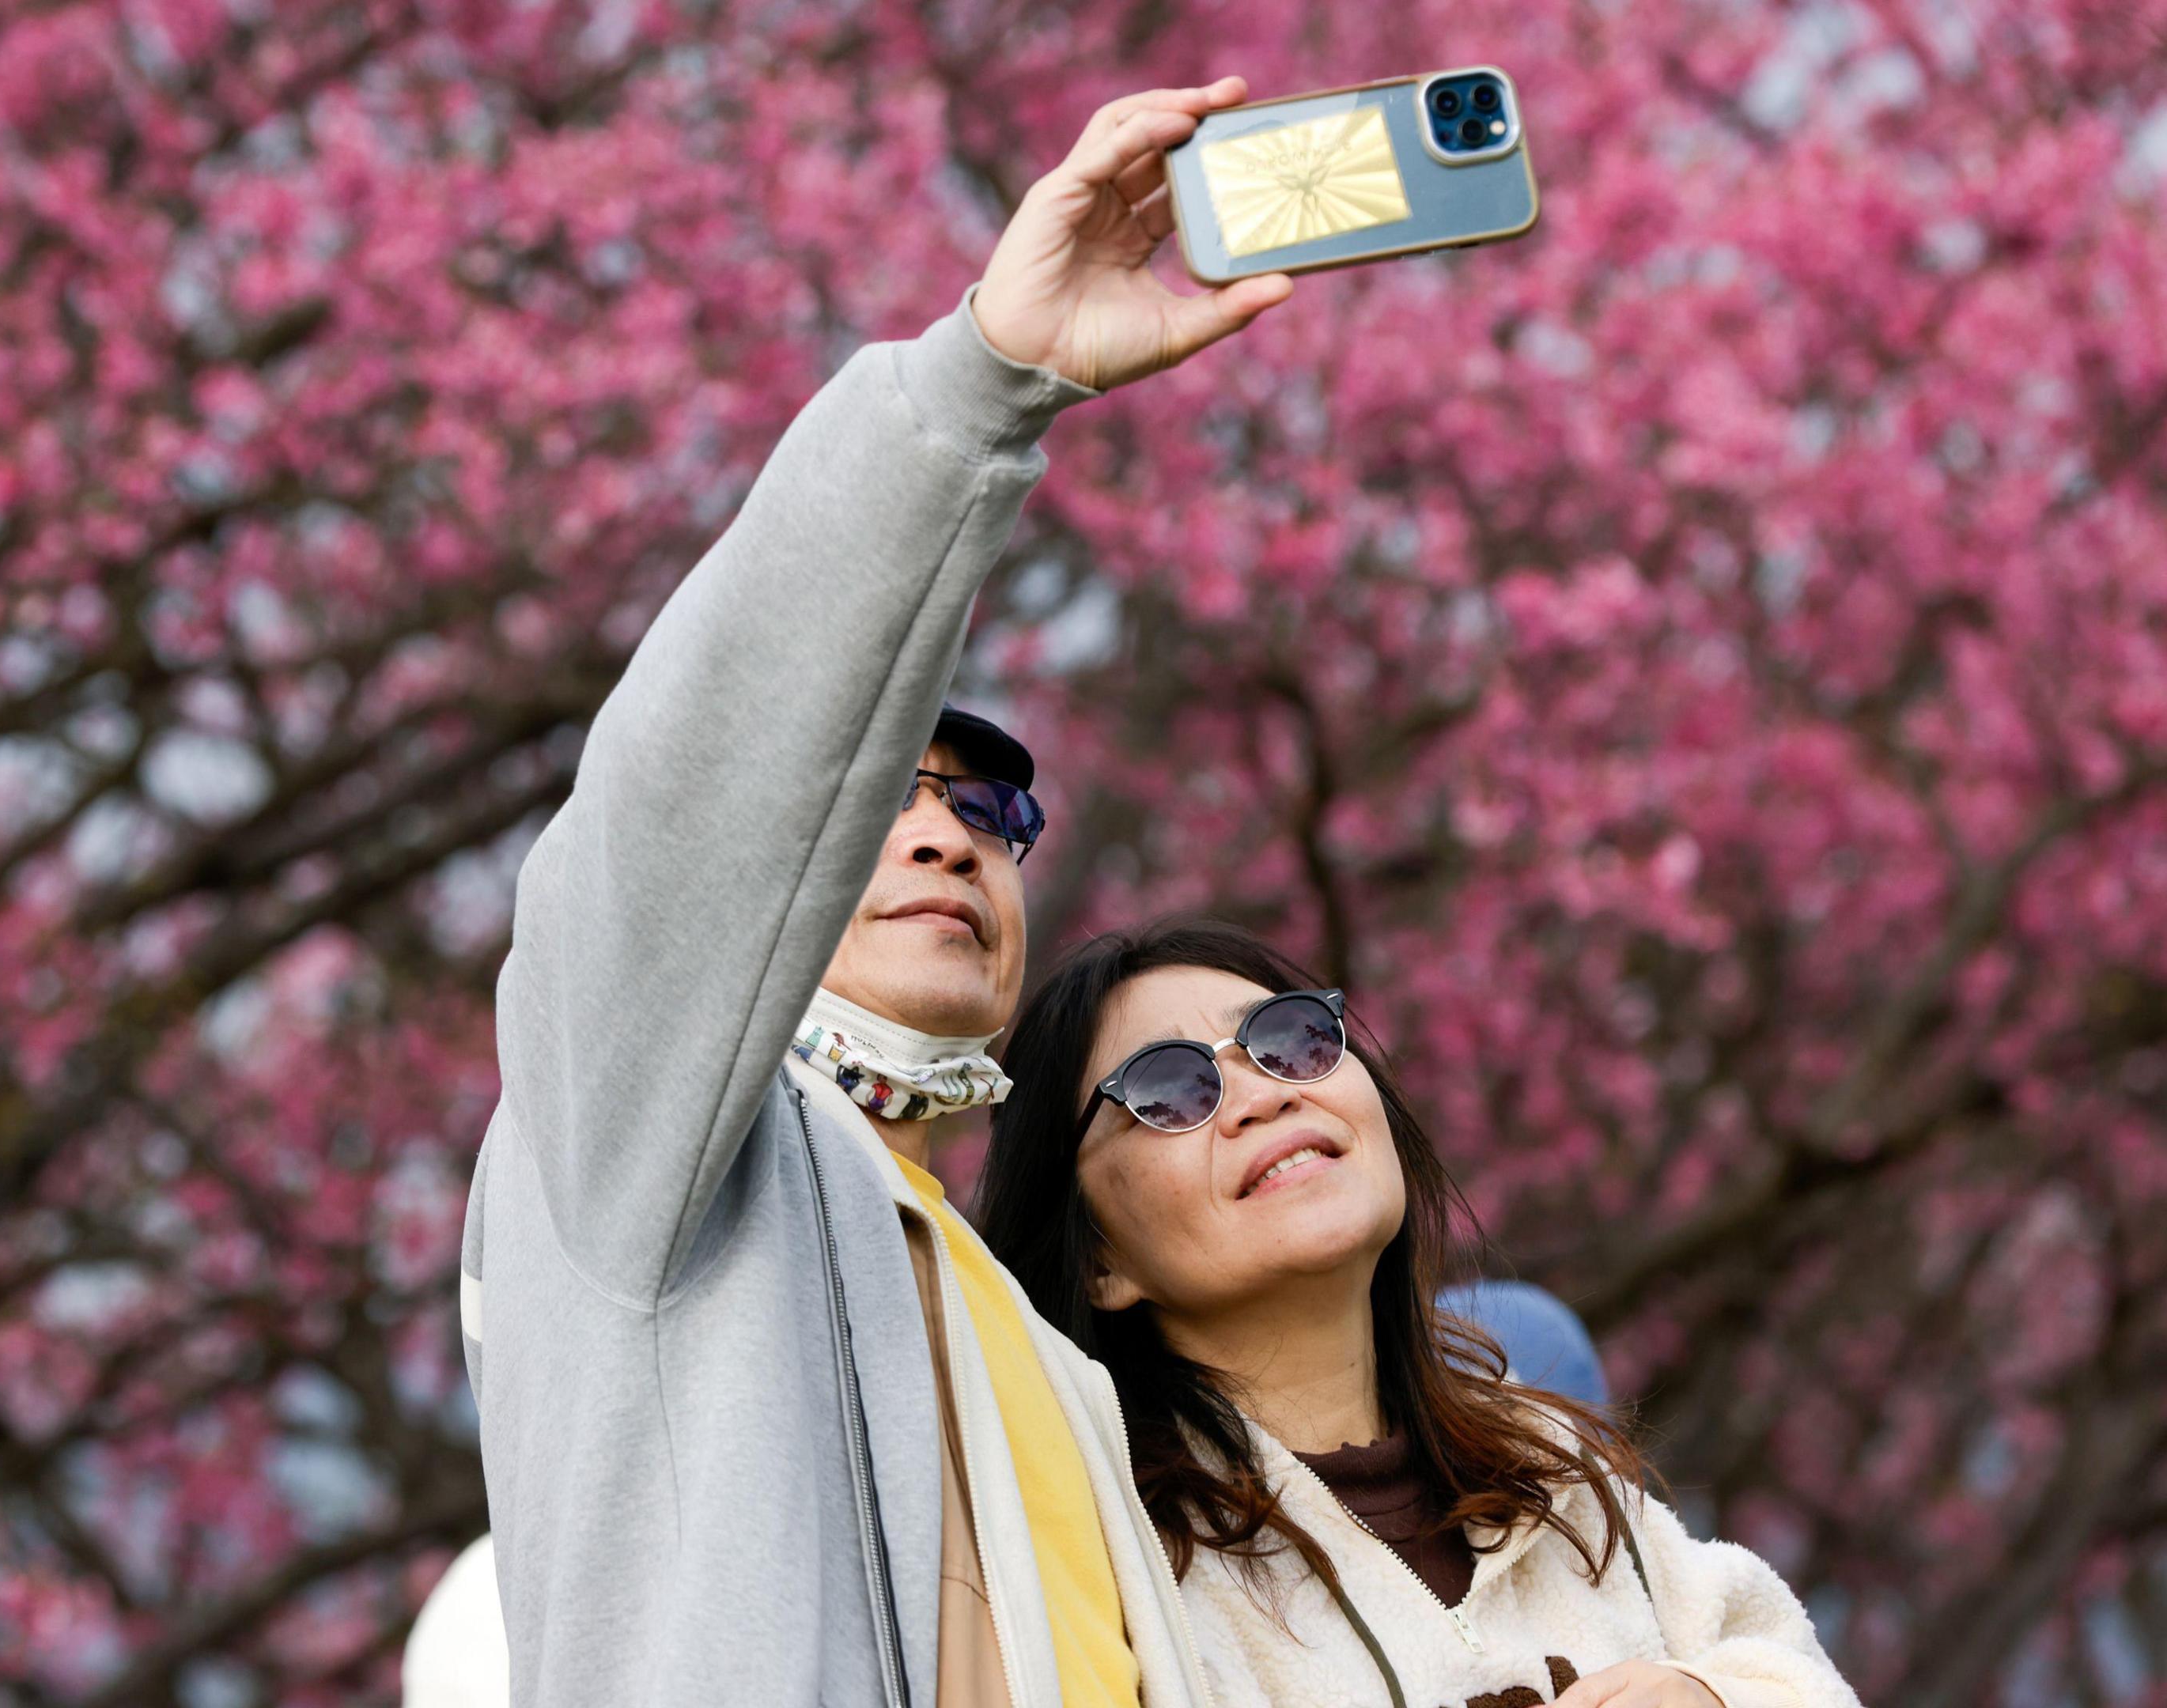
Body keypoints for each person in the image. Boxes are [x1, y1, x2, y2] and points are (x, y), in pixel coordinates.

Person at [459, 77, 1293, 1708]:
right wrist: (982, 388)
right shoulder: (632, 1155)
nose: (941, 840)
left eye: (986, 806)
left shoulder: (1041, 1346)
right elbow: (694, 803)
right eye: (874, 809)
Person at [973, 919, 1862, 1708]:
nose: (1265, 1092)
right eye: (1169, 1089)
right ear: (1098, 1260)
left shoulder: (1554, 1473)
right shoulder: (1110, 1555)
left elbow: (1784, 1660)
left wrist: (1706, 1695)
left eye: (1293, 1039)